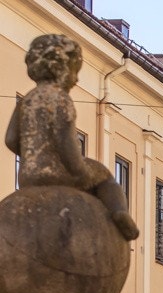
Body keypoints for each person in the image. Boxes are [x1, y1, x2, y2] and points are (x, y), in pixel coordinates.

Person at [4, 33, 139, 239]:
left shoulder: (27, 100)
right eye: (75, 72)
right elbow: (65, 141)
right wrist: (79, 170)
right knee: (105, 177)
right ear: (61, 70)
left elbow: (11, 139)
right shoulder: (61, 99)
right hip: (58, 174)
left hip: (28, 177)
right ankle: (119, 213)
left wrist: (31, 156)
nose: (76, 79)